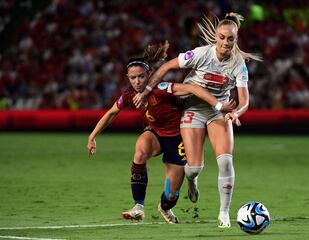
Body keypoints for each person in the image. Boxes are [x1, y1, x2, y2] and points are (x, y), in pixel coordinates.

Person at [133, 13, 261, 228]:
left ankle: (224, 213)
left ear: (236, 39)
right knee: (193, 168)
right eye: (222, 37)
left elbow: (245, 100)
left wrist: (236, 113)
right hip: (193, 108)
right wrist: (146, 90)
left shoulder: (239, 64)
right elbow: (166, 68)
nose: (226, 42)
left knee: (225, 161)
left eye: (231, 39)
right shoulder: (201, 54)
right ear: (216, 37)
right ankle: (192, 181)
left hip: (219, 112)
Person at [87, 41, 234, 224]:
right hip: (156, 134)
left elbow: (192, 88)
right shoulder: (129, 95)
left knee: (171, 194)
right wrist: (92, 136)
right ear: (127, 77)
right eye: (133, 78)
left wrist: (218, 105)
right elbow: (111, 113)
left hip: (178, 139)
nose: (137, 81)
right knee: (140, 150)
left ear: (149, 75)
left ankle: (165, 207)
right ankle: (138, 207)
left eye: (141, 77)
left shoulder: (161, 89)